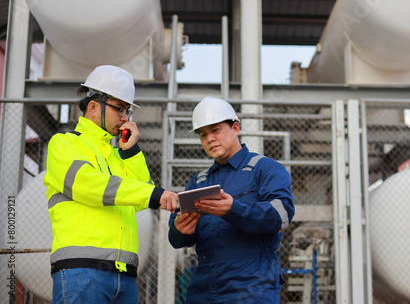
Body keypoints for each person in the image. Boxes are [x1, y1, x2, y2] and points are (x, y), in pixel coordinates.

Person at [44, 65, 178, 303]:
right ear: (93, 107)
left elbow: (141, 197)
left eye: (128, 111)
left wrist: (132, 151)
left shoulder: (119, 155)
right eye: (120, 109)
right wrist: (154, 194)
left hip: (124, 276)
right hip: (82, 273)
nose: (125, 118)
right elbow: (89, 185)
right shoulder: (64, 144)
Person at [168, 97, 295, 303]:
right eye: (203, 134)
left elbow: (282, 216)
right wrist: (179, 230)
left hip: (251, 284)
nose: (209, 138)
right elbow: (175, 238)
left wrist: (234, 209)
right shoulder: (197, 182)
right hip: (204, 285)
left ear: (235, 128)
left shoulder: (265, 169)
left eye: (215, 130)